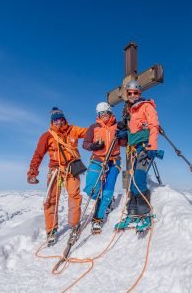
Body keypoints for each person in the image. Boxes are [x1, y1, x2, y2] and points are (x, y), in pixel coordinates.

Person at [27, 107, 87, 246]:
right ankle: (51, 230)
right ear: (52, 121)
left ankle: (74, 225)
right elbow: (38, 155)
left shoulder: (73, 130)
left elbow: (90, 132)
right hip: (55, 170)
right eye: (55, 120)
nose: (58, 122)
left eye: (60, 119)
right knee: (51, 200)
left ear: (64, 119)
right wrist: (32, 172)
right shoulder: (47, 136)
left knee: (74, 196)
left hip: (71, 169)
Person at [115, 80, 164, 232]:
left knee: (139, 178)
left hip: (146, 148)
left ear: (139, 93)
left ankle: (145, 213)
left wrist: (152, 146)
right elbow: (131, 134)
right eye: (129, 93)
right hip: (135, 149)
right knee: (132, 182)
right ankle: (133, 212)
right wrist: (123, 133)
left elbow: (154, 126)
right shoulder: (130, 112)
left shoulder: (146, 106)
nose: (132, 95)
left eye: (135, 92)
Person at [82, 102, 127, 234]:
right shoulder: (93, 127)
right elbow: (85, 143)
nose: (104, 115)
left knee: (107, 192)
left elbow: (123, 144)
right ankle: (103, 203)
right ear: (98, 114)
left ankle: (98, 218)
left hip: (114, 161)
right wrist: (93, 146)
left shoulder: (117, 126)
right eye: (101, 113)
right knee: (92, 189)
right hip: (97, 160)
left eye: (106, 112)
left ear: (110, 112)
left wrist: (123, 133)